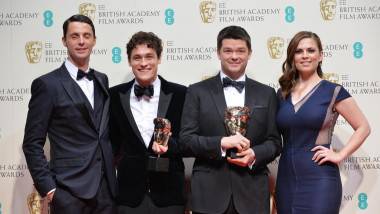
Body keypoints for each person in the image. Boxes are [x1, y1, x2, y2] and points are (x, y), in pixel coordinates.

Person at [179, 25, 282, 214]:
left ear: (249, 53)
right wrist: (221, 143)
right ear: (218, 53)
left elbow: (275, 142)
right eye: (228, 50)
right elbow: (186, 141)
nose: (234, 56)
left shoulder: (267, 93)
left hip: (252, 193)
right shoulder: (197, 91)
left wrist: (255, 154)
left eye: (240, 51)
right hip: (209, 194)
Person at [22, 14, 117, 214]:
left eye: (86, 35)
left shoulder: (102, 80)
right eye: (74, 36)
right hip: (68, 193)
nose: (81, 41)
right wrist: (49, 189)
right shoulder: (47, 85)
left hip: (105, 191)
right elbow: (32, 143)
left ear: (94, 40)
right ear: (64, 41)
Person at [275, 31, 371, 214]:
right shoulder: (282, 94)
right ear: (292, 57)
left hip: (320, 180)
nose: (305, 55)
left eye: (311, 50)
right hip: (286, 180)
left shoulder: (333, 91)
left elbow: (364, 127)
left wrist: (340, 155)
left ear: (320, 56)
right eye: (298, 51)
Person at [109, 31, 187, 214]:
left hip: (169, 196)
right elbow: (110, 143)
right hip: (128, 197)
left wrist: (170, 145)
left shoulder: (181, 94)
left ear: (159, 58)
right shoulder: (113, 96)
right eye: (137, 58)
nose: (143, 63)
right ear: (129, 61)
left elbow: (188, 141)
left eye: (149, 56)